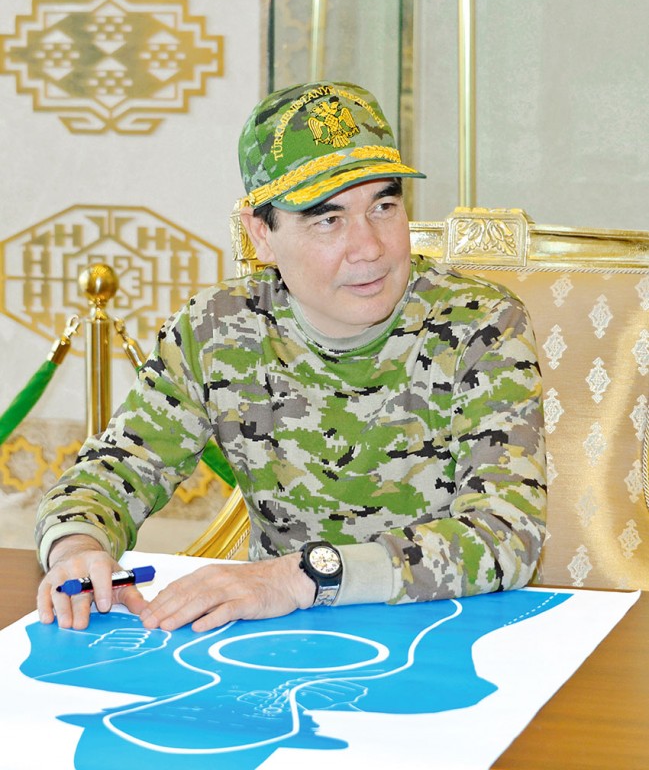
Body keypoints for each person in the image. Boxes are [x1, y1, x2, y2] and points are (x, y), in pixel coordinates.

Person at [35, 80, 547, 633]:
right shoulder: (218, 327)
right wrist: (76, 547)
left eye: (384, 206)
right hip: (278, 641)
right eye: (328, 219)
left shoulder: (480, 324)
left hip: (443, 627)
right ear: (262, 234)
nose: (369, 247)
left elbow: (507, 533)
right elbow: (116, 467)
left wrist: (300, 578)